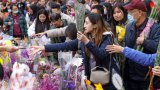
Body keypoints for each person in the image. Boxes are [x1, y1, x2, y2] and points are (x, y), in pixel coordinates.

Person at [30, 13, 119, 89]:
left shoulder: (107, 37)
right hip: (92, 77)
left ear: (95, 25)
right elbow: (67, 45)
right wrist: (44, 47)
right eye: (84, 22)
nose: (84, 25)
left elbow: (102, 54)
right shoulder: (87, 36)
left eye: (87, 23)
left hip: (107, 78)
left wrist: (87, 42)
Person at [123, 0, 160, 89]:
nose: (128, 14)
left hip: (145, 75)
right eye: (128, 12)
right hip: (130, 74)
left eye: (131, 11)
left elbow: (157, 48)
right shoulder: (129, 27)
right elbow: (127, 46)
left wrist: (144, 42)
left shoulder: (155, 28)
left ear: (140, 12)